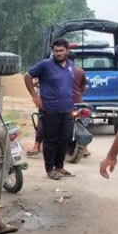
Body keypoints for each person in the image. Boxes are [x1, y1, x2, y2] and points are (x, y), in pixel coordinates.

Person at [24, 38, 75, 180]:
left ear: (67, 51)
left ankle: (59, 167)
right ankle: (50, 170)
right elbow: (27, 76)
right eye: (56, 51)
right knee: (50, 140)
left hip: (66, 109)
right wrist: (35, 96)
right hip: (49, 109)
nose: (58, 53)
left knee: (65, 139)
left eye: (61, 50)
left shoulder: (70, 64)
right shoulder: (45, 65)